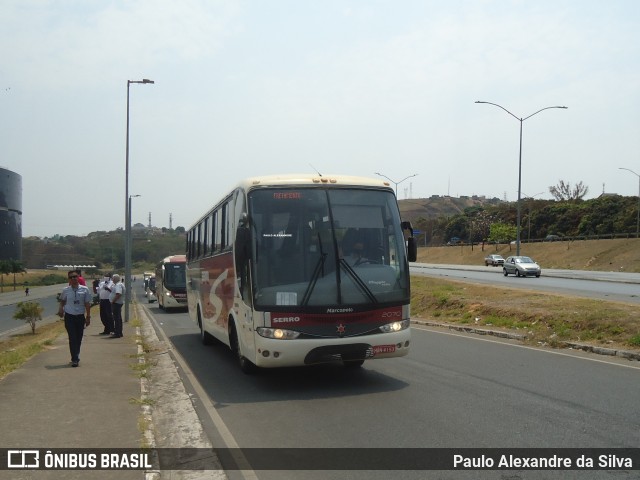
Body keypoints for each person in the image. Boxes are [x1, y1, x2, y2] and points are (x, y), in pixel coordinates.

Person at [57, 270, 92, 367]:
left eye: (75, 276)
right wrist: (61, 309)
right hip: (69, 317)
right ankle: (75, 358)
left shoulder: (85, 289)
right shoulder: (66, 290)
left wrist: (88, 317)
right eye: (71, 277)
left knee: (79, 337)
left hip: (80, 317)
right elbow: (62, 301)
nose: (73, 279)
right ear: (69, 279)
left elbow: (87, 304)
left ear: (78, 277)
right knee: (72, 337)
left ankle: (76, 354)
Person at [109, 274, 125, 338]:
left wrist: (113, 301)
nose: (112, 280)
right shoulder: (118, 285)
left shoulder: (118, 285)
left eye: (113, 278)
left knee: (116, 319)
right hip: (117, 303)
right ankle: (119, 332)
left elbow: (118, 294)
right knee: (118, 318)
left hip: (116, 303)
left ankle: (117, 333)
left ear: (115, 279)